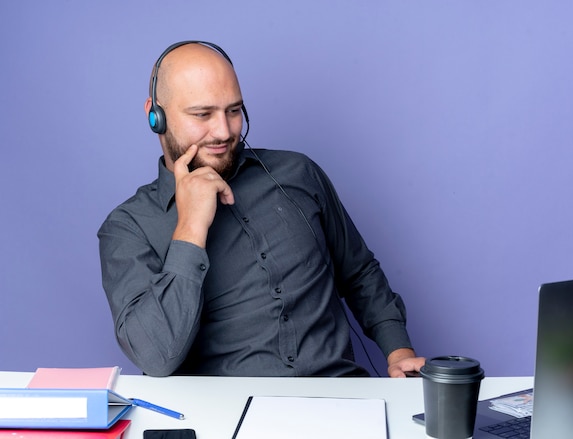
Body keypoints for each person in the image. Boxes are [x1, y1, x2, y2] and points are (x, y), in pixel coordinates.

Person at [98, 40, 425, 377]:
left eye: (234, 110)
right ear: (156, 116)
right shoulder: (127, 228)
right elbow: (155, 356)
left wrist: (398, 351)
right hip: (224, 419)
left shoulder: (298, 174)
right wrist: (190, 228)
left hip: (340, 400)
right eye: (202, 114)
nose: (224, 132)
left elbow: (359, 273)